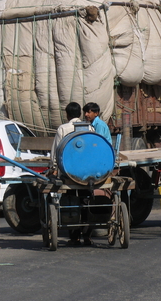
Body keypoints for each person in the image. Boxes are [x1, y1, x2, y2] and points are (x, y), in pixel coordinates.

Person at [52, 102, 95, 247]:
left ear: (68, 115)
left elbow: (56, 152)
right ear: (79, 114)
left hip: (68, 173)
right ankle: (87, 236)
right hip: (87, 174)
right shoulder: (89, 128)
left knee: (70, 201)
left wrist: (53, 167)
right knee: (86, 200)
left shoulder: (63, 129)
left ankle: (74, 236)